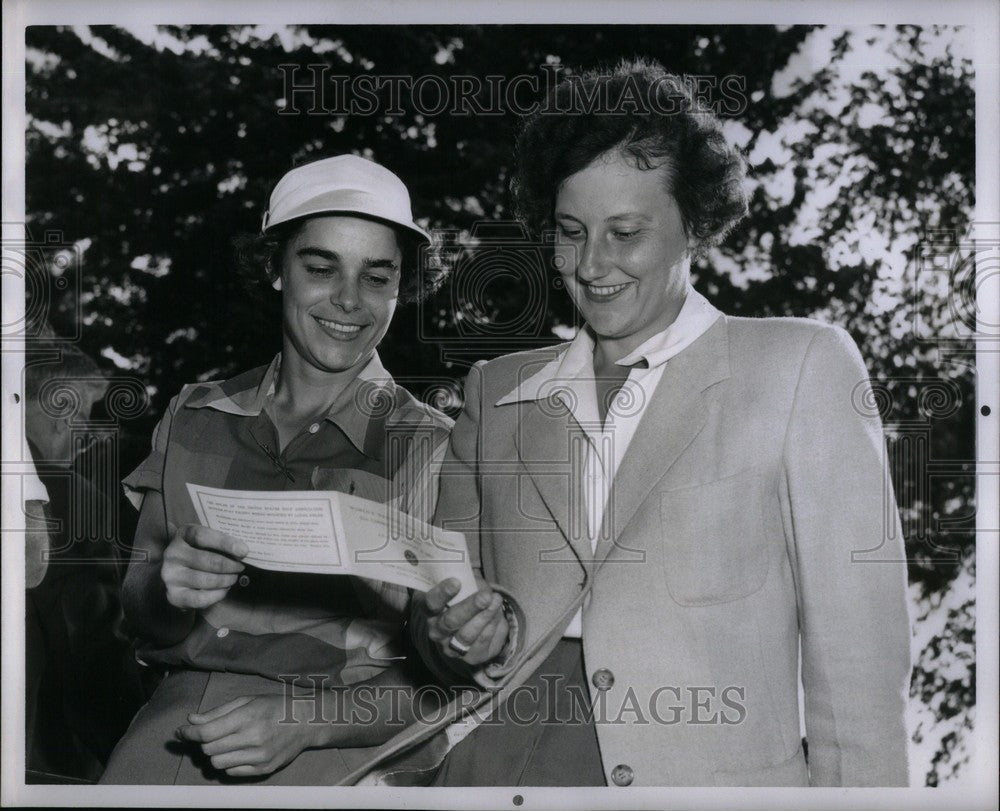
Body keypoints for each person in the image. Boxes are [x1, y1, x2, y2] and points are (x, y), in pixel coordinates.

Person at [411, 60, 912, 787]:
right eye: (571, 231)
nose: (592, 264)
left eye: (625, 232)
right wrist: (452, 635)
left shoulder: (800, 365)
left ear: (694, 226)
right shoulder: (496, 390)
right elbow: (433, 623)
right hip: (495, 768)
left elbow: (859, 653)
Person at [100, 155, 453, 784]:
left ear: (404, 285)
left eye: (377, 276)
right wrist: (166, 588)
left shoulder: (434, 448)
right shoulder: (194, 414)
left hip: (346, 753)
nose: (349, 299)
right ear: (274, 269)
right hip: (173, 736)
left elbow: (450, 682)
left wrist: (307, 720)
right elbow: (138, 615)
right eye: (320, 268)